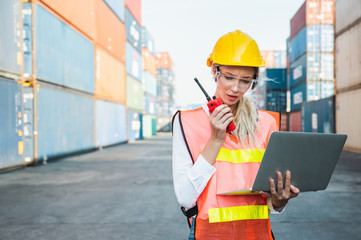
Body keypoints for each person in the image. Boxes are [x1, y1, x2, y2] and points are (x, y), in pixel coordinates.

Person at [172, 30, 300, 240]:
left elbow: (271, 204)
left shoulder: (266, 122)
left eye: (245, 80)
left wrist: (280, 200)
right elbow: (186, 199)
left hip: (259, 235)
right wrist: (215, 140)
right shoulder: (186, 122)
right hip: (208, 235)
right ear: (214, 71)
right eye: (229, 77)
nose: (235, 88)